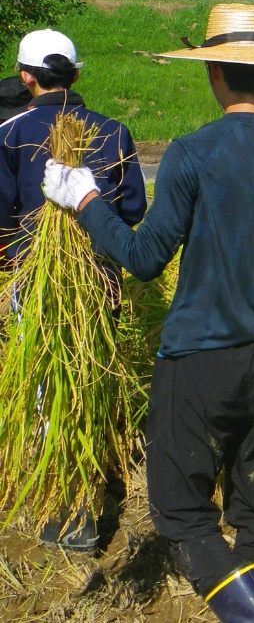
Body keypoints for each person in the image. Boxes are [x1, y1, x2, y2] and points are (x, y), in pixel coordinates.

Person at [41, 4, 254, 622]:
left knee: (179, 510)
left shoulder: (195, 152)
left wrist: (87, 199)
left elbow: (145, 258)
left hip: (201, 361)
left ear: (215, 75)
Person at [0, 29, 147, 551]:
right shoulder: (113, 131)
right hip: (101, 280)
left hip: (33, 285)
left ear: (25, 77)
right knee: (92, 379)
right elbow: (132, 212)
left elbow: (2, 218)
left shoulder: (10, 130)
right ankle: (92, 496)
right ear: (77, 76)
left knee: (44, 391)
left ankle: (60, 509)